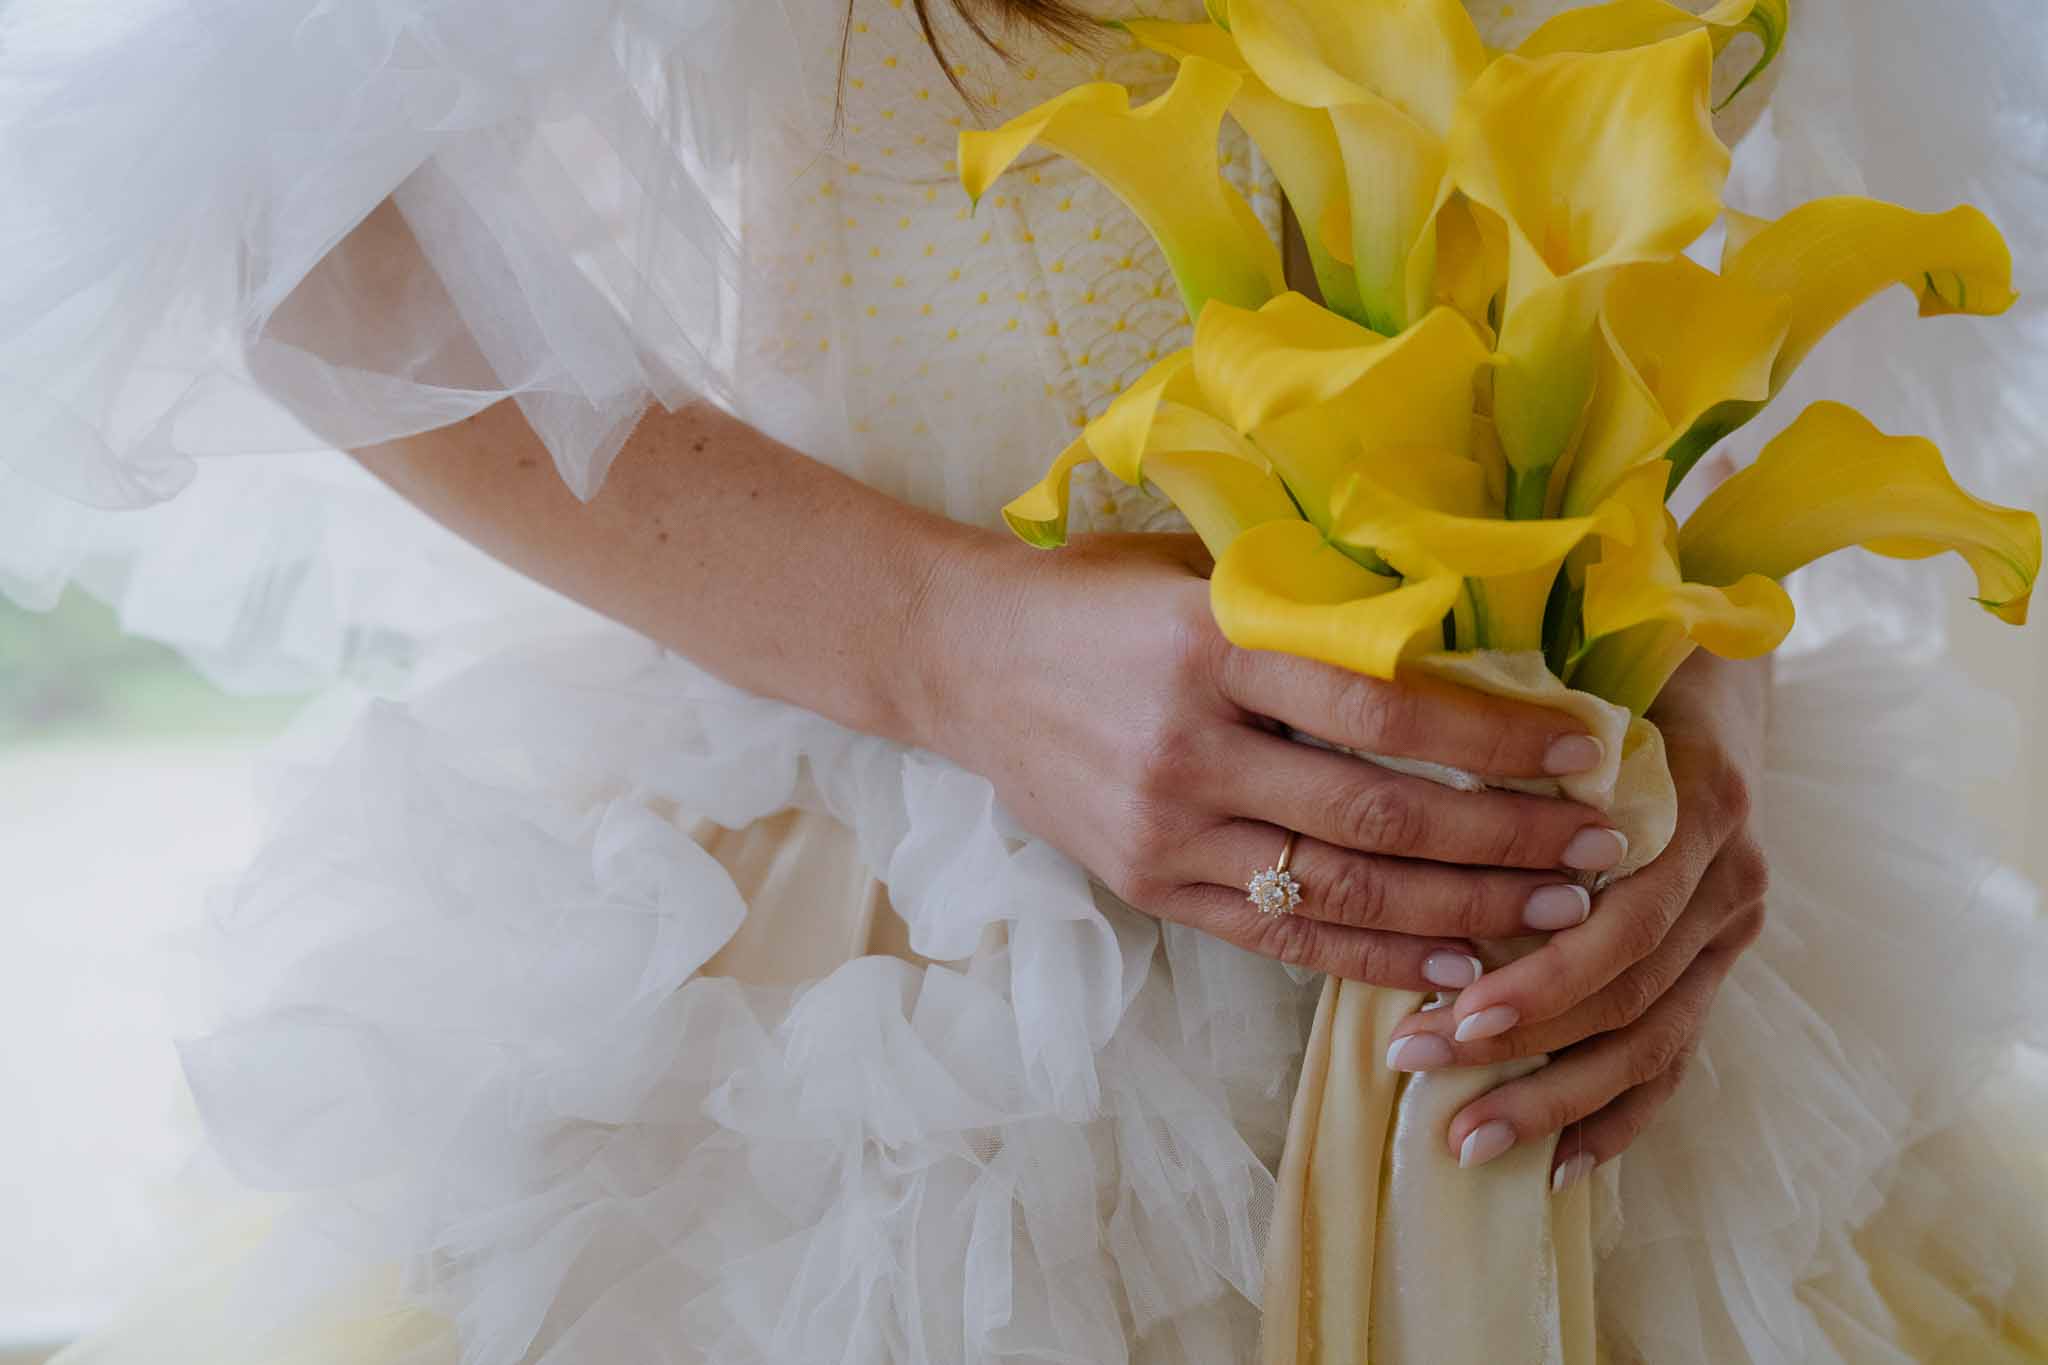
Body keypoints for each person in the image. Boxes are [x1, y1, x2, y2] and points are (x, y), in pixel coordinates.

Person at [4, 1, 2043, 1361]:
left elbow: (1760, 227)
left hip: (1602, 1015)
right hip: (905, 1009)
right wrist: (942, 641)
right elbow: (278, 207)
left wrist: (1690, 720)